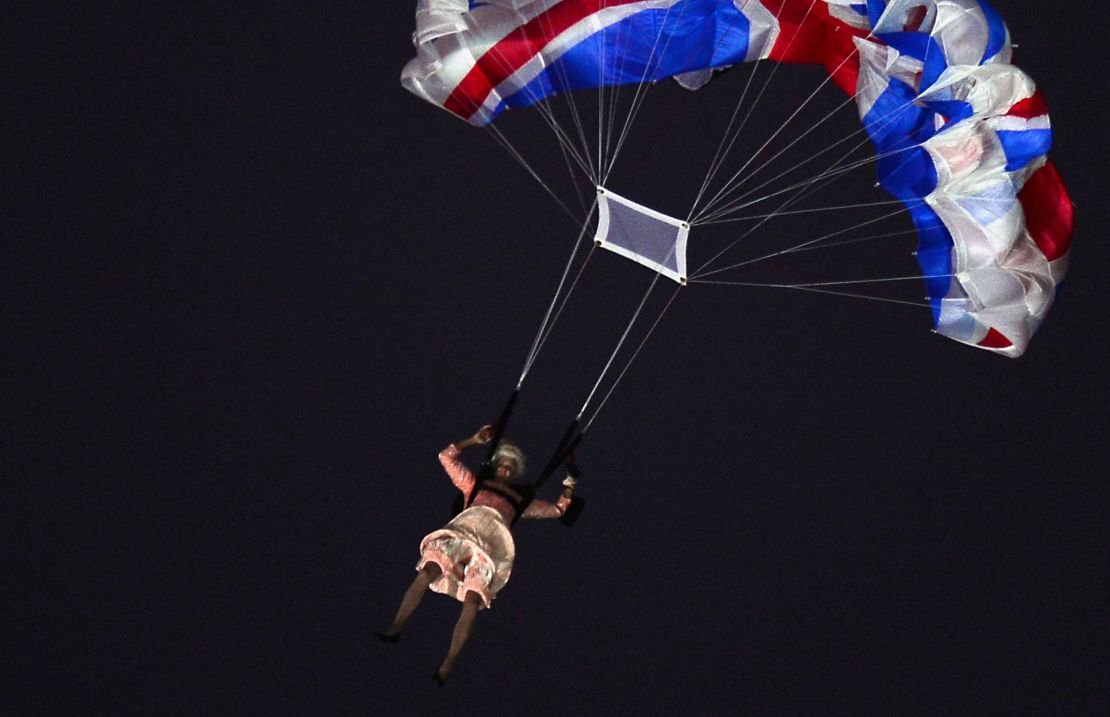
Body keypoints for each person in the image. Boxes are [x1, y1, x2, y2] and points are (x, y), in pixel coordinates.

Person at [376, 425, 576, 685]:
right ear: (495, 466)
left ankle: (448, 664)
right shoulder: (475, 484)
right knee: (428, 571)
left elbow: (559, 509)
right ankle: (396, 627)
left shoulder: (519, 501)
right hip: (462, 534)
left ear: (514, 472)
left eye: (510, 467)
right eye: (502, 464)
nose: (505, 469)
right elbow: (445, 457)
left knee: (472, 602)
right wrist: (473, 440)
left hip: (491, 548)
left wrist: (570, 481)